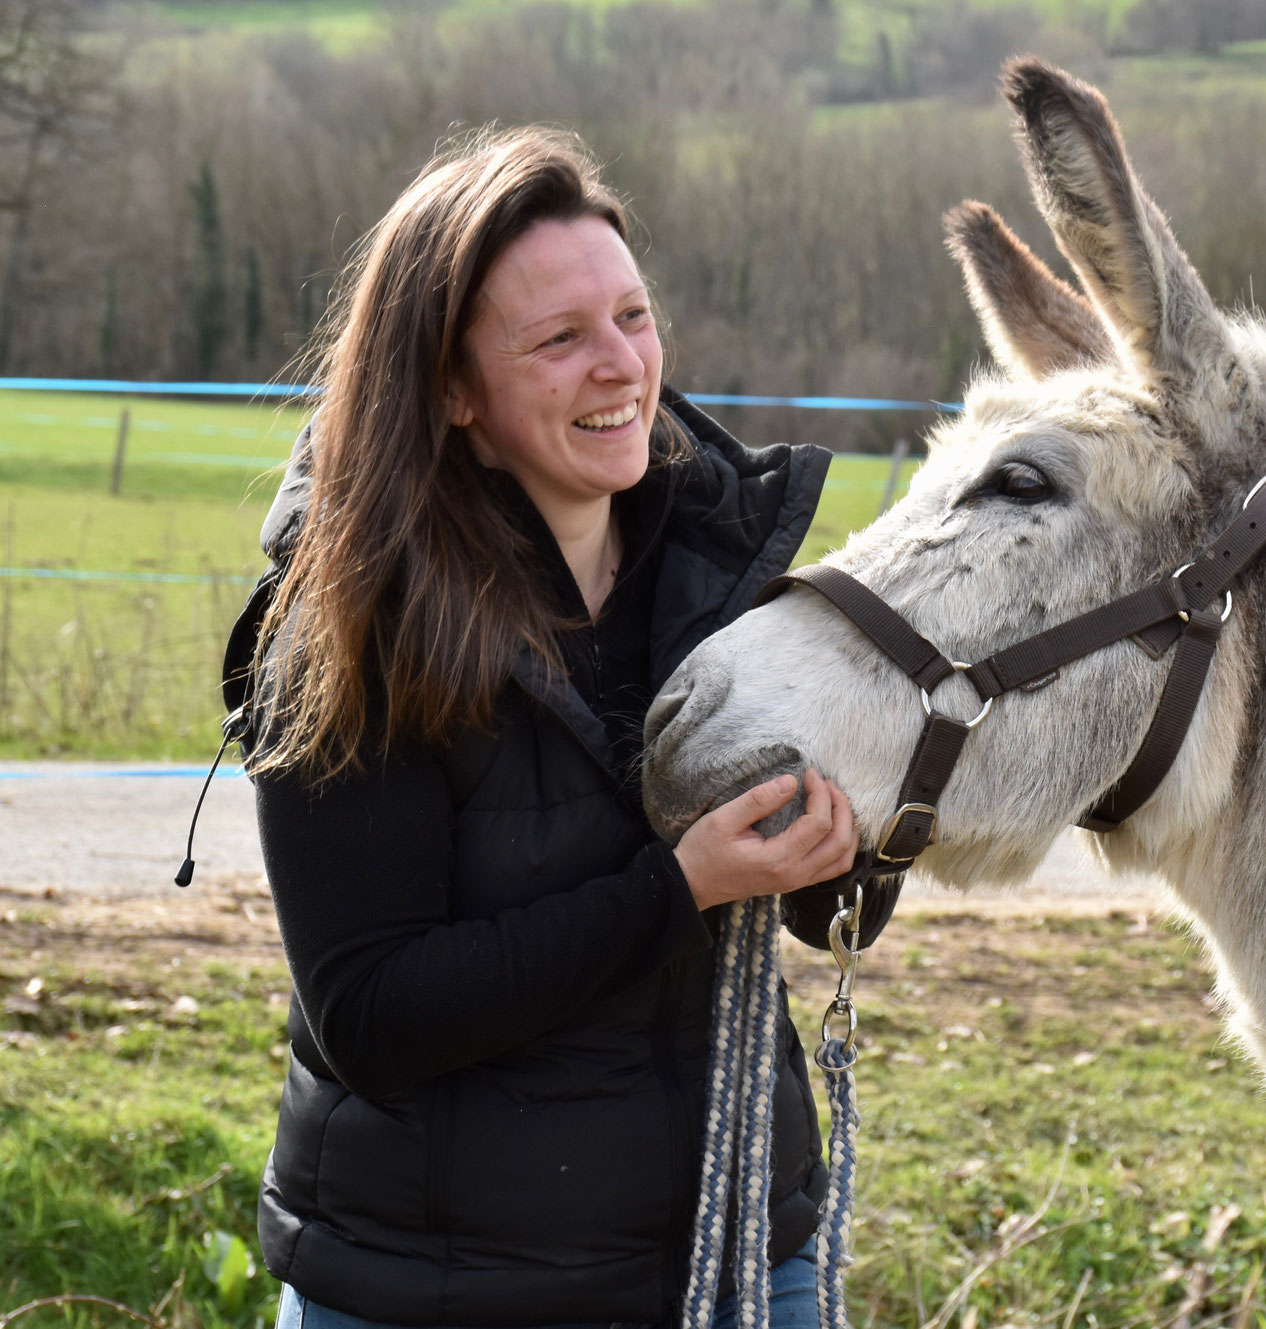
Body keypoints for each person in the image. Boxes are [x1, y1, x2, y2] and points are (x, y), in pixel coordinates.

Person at [231, 126, 891, 1329]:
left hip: (740, 1254)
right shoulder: (351, 628)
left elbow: (810, 913)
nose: (621, 366)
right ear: (449, 389)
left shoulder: (725, 580)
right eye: (558, 338)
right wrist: (674, 890)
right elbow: (373, 1014)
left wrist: (855, 839)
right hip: (439, 1286)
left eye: (632, 319)